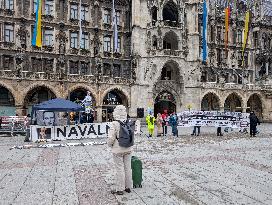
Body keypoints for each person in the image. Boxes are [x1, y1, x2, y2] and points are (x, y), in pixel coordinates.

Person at [107, 105, 136, 195]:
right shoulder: (129, 122)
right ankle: (128, 187)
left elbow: (111, 138)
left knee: (119, 169)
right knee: (128, 168)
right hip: (128, 148)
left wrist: (109, 145)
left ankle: (120, 189)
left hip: (118, 150)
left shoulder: (114, 123)